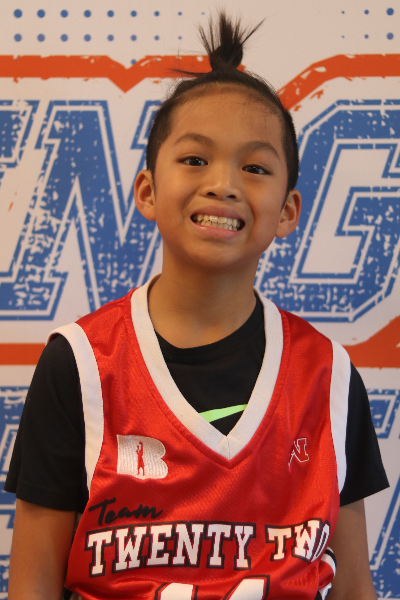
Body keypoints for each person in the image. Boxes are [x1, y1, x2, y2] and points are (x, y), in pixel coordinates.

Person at [5, 12, 389, 600]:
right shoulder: (80, 365)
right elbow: (32, 582)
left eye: (255, 168)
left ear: (288, 211)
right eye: (194, 160)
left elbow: (355, 585)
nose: (224, 184)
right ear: (147, 191)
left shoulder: (328, 376)